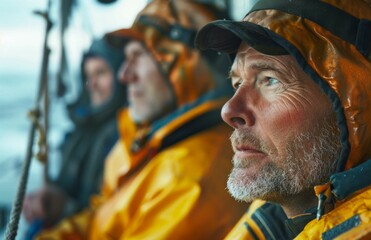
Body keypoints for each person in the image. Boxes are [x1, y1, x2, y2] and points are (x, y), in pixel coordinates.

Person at [195, 0, 371, 239]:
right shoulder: (274, 223)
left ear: (356, 101)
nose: (229, 110)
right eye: (236, 83)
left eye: (270, 80)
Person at [35, 0, 248, 239]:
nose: (124, 75)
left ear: (183, 65)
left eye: (137, 56)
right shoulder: (145, 138)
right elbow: (100, 219)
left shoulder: (189, 180)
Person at [23, 37, 126, 231]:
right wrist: (51, 195)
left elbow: (113, 217)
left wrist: (66, 208)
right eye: (88, 76)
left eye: (101, 73)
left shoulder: (125, 134)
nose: (92, 85)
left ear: (121, 74)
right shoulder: (81, 128)